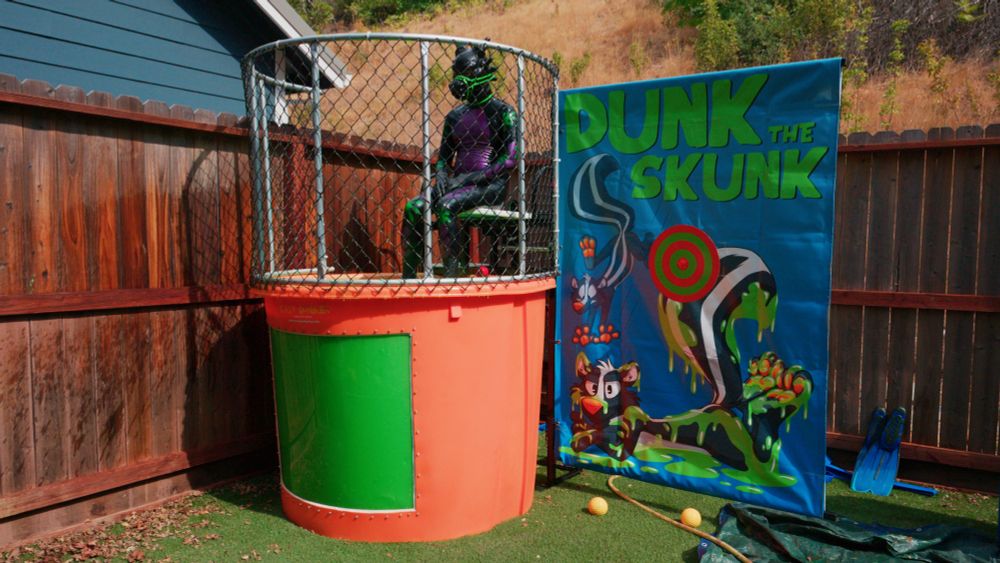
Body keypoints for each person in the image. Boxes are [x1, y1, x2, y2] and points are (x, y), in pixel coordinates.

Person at [401, 43, 518, 278]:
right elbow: (444, 157)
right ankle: (409, 277)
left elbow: (509, 159)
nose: (459, 79)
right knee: (413, 208)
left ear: (480, 72)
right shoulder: (454, 116)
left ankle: (453, 275)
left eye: (466, 72)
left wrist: (469, 177)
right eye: (457, 73)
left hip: (490, 185)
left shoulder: (503, 112)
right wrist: (443, 174)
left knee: (446, 206)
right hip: (456, 184)